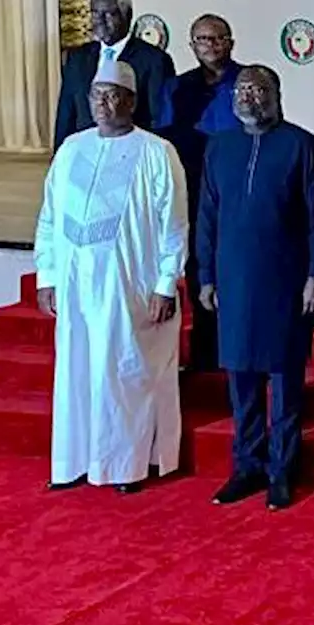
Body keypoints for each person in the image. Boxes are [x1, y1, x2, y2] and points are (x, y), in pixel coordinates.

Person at [35, 60, 188, 494]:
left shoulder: (156, 152)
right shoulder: (71, 150)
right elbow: (49, 217)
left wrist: (165, 282)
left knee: (124, 371)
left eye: (114, 95)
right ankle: (76, 461)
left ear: (132, 102)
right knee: (78, 370)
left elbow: (174, 223)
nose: (104, 103)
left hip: (130, 285)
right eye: (97, 96)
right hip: (76, 283)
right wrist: (47, 274)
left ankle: (127, 466)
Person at [198, 65, 314, 511]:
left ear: (277, 94)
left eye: (259, 90)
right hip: (233, 281)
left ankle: (282, 471)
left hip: (286, 282)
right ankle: (247, 466)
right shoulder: (219, 148)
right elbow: (207, 217)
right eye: (242, 89)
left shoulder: (302, 146)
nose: (249, 97)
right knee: (240, 379)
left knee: (284, 380)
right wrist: (205, 276)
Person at [154, 14, 243, 370]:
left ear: (230, 42)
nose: (209, 45)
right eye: (201, 39)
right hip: (193, 188)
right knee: (198, 268)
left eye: (217, 38)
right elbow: (165, 138)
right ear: (191, 45)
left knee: (235, 269)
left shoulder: (247, 81)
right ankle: (205, 351)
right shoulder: (176, 87)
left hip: (236, 191)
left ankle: (236, 348)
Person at [54, 0, 175, 150]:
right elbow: (66, 114)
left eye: (109, 14)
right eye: (95, 13)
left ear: (128, 16)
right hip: (85, 152)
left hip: (131, 152)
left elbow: (159, 118)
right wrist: (59, 156)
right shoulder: (77, 58)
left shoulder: (154, 60)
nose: (100, 20)